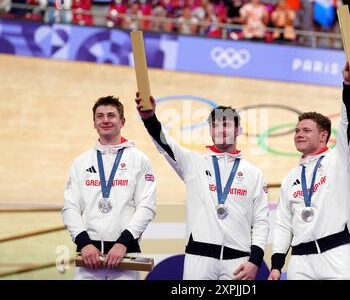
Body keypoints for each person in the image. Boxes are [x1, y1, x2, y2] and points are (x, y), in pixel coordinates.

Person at [135, 96, 270, 280]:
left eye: (226, 124)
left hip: (237, 262)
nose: (220, 130)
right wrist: (149, 118)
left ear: (238, 130)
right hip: (199, 258)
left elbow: (261, 222)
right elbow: (165, 144)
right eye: (215, 125)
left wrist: (254, 261)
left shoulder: (254, 174)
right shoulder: (194, 163)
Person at [268, 51, 350, 280]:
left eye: (306, 130)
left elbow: (348, 123)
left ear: (323, 136)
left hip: (337, 256)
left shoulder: (340, 158)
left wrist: (348, 87)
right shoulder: (290, 177)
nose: (299, 134)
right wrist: (276, 264)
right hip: (300, 262)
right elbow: (283, 224)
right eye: (297, 131)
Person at [62, 96, 156, 280]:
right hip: (88, 258)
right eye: (100, 116)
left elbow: (146, 207)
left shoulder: (139, 160)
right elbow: (70, 207)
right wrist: (84, 244)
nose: (105, 120)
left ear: (122, 122)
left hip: (125, 258)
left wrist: (123, 243)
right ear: (94, 123)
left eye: (111, 115)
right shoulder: (81, 162)